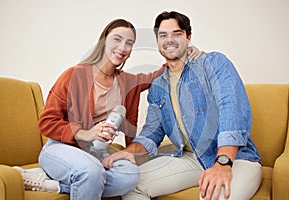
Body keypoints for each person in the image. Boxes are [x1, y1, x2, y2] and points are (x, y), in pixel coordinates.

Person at [13, 18, 203, 199]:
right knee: (91, 171)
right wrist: (84, 133)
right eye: (117, 39)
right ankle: (75, 177)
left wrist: (185, 51)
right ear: (103, 41)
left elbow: (160, 72)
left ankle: (52, 185)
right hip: (61, 148)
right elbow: (46, 122)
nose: (122, 47)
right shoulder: (74, 75)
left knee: (130, 176)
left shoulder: (128, 82)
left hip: (94, 153)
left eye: (129, 43)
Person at [102, 11, 262, 200]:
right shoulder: (158, 86)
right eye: (163, 35)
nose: (170, 40)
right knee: (129, 185)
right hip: (191, 159)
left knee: (214, 196)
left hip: (237, 160)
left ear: (188, 37)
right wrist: (128, 153)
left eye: (177, 34)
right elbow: (152, 134)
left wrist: (223, 163)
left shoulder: (213, 64)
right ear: (157, 41)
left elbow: (231, 109)